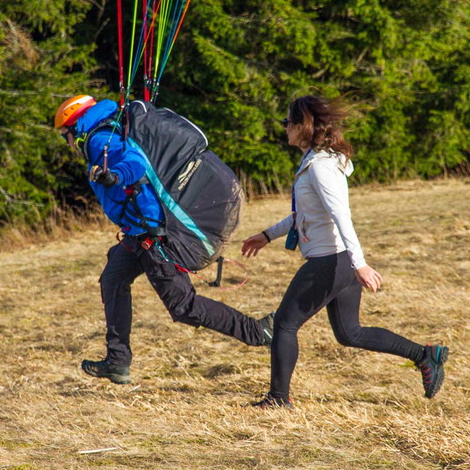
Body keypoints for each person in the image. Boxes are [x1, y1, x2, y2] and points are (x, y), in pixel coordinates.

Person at [241, 95, 449, 408]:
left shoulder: (321, 167)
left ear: (303, 125)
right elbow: (307, 214)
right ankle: (425, 355)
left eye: (288, 122)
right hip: (339, 261)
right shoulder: (314, 160)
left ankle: (278, 399)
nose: (284, 127)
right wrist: (268, 235)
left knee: (284, 324)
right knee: (349, 333)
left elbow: (341, 215)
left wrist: (360, 264)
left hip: (332, 261)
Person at [54, 95, 274, 385]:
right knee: (113, 278)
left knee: (183, 306)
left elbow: (134, 163)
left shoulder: (99, 138)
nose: (67, 143)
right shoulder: (114, 124)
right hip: (137, 231)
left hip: (153, 233)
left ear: (73, 126)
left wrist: (116, 176)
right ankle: (118, 361)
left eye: (64, 136)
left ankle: (259, 331)